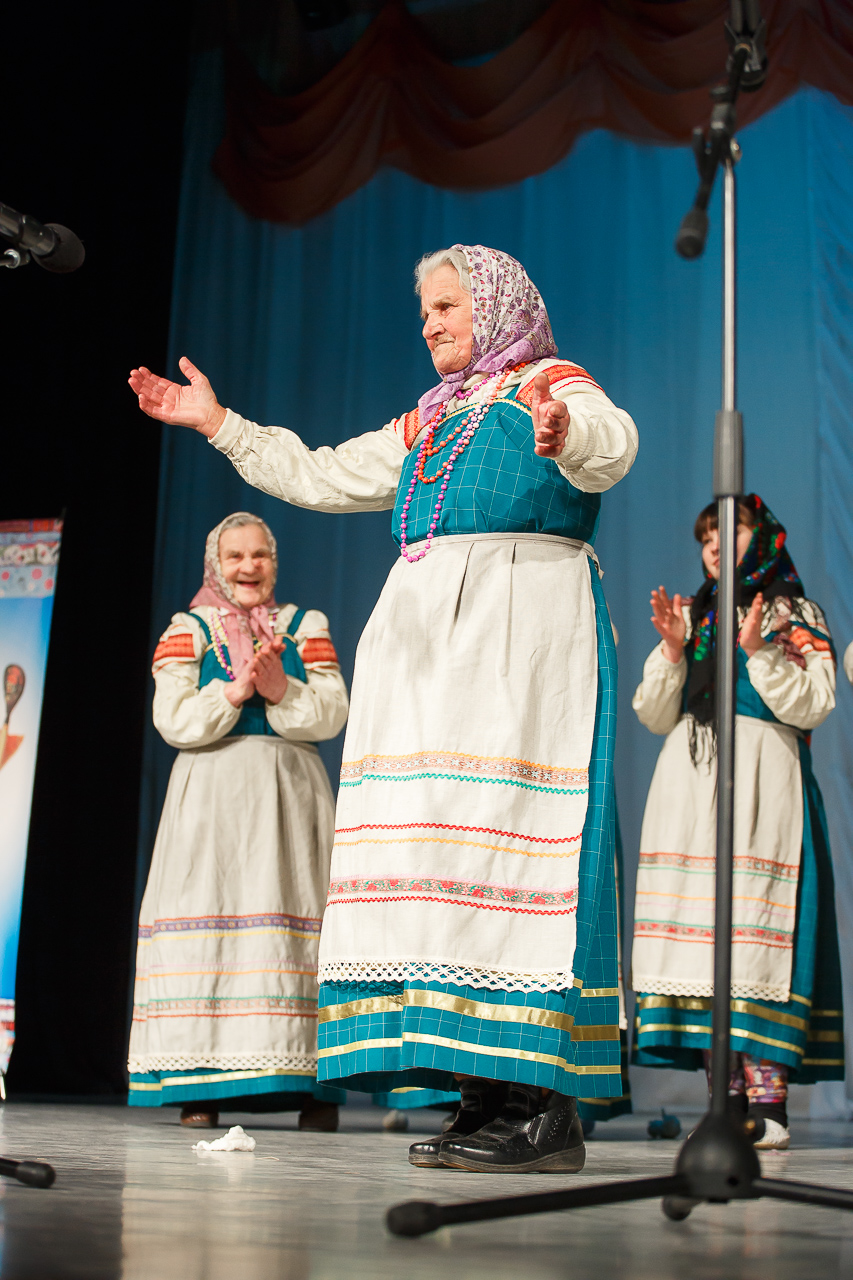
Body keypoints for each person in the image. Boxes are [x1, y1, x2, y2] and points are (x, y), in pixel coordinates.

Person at [129, 244, 639, 1172]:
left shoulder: (546, 381)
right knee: (436, 855)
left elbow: (614, 444)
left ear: (495, 305)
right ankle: (481, 1095)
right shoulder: (432, 417)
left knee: (506, 844)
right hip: (426, 650)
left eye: (447, 306)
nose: (430, 324)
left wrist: (565, 432)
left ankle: (543, 1108)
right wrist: (220, 424)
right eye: (424, 311)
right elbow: (324, 475)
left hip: (518, 633)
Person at [630, 495, 844, 1151]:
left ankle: (767, 1105)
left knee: (755, 943)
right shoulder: (694, 616)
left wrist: (758, 652)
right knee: (699, 946)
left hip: (761, 786)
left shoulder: (791, 613)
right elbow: (653, 714)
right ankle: (720, 1106)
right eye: (705, 538)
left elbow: (815, 702)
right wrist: (673, 652)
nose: (716, 545)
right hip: (689, 792)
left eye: (730, 530)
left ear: (765, 538)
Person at [128, 512, 349, 1129]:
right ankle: (199, 1081)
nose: (249, 566)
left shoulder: (306, 626)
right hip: (213, 796)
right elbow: (172, 718)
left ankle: (312, 1086)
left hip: (289, 794)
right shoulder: (189, 628)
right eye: (235, 556)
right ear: (216, 565)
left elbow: (334, 712)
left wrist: (280, 690)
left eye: (260, 555)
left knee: (293, 915)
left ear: (274, 562)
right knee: (213, 915)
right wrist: (231, 692)